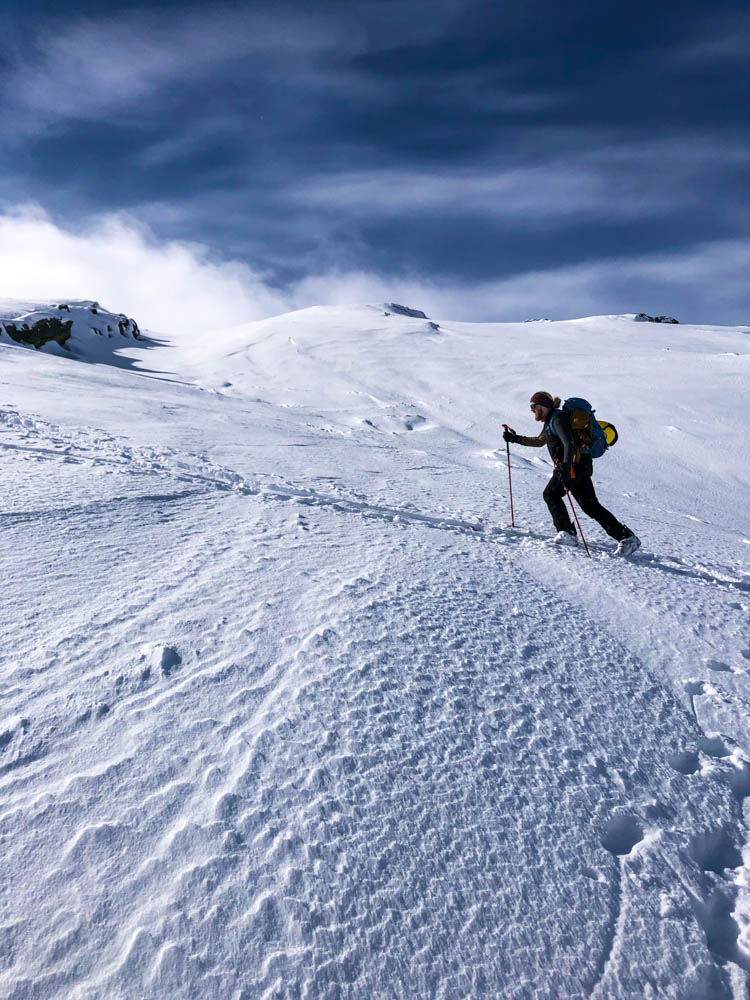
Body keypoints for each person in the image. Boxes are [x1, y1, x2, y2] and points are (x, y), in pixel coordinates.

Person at [503, 391, 641, 554]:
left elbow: (568, 443)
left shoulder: (558, 419)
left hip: (574, 466)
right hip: (579, 465)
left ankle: (567, 533)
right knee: (590, 505)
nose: (532, 410)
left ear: (543, 405)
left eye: (534, 406)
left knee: (551, 494)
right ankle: (627, 538)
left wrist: (566, 467)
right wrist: (515, 438)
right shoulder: (550, 421)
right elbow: (540, 441)